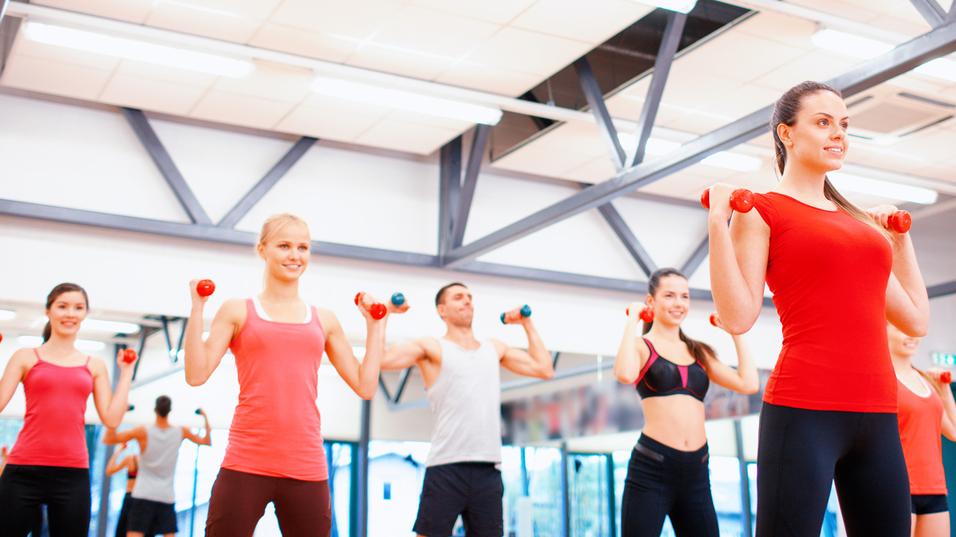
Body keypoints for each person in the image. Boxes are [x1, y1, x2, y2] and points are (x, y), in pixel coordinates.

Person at [706, 81, 930, 536]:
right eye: (823, 122)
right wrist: (717, 221)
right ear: (786, 133)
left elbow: (916, 320)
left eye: (843, 124)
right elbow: (738, 317)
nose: (838, 134)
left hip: (877, 413)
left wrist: (900, 242)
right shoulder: (762, 211)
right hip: (803, 408)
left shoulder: (861, 225)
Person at [183, 213, 387, 536]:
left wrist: (376, 326)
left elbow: (365, 385)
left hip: (306, 464)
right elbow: (196, 374)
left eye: (303, 247)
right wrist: (197, 308)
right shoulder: (238, 310)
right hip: (246, 460)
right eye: (284, 246)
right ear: (262, 249)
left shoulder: (324, 319)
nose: (295, 255)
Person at [382, 282, 554, 537]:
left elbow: (544, 368)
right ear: (442, 310)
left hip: (488, 468)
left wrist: (526, 324)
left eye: (470, 297)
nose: (467, 301)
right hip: (446, 465)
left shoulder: (493, 348)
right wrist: (385, 313)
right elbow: (382, 360)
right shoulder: (432, 347)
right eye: (458, 297)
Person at [614, 267, 758, 537]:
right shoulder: (641, 346)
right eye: (669, 295)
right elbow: (624, 373)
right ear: (651, 302)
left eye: (684, 296)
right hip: (652, 466)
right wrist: (632, 319)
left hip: (697, 469)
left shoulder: (698, 352)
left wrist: (736, 333)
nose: (678, 303)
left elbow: (748, 383)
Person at [0, 282, 135, 536]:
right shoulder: (25, 357)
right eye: (62, 306)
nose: (70, 314)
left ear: (85, 313)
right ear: (48, 311)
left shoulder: (94, 365)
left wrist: (126, 374)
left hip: (72, 473)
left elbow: (112, 419)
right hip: (23, 469)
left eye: (78, 307)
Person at [102, 397, 211, 537]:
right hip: (165, 496)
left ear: (155, 410)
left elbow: (109, 438)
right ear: (170, 410)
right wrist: (205, 416)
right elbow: (206, 441)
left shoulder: (143, 431)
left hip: (143, 495)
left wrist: (121, 413)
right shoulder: (181, 431)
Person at [889, 323, 956, 537]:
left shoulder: (925, 381)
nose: (911, 336)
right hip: (897, 487)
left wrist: (944, 390)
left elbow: (954, 431)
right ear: (883, 329)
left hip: (934, 488)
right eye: (901, 328)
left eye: (914, 330)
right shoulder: (883, 380)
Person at [104, 441, 139, 537]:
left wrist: (118, 451)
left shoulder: (132, 459)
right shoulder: (151, 463)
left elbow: (109, 470)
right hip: (144, 501)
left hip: (131, 500)